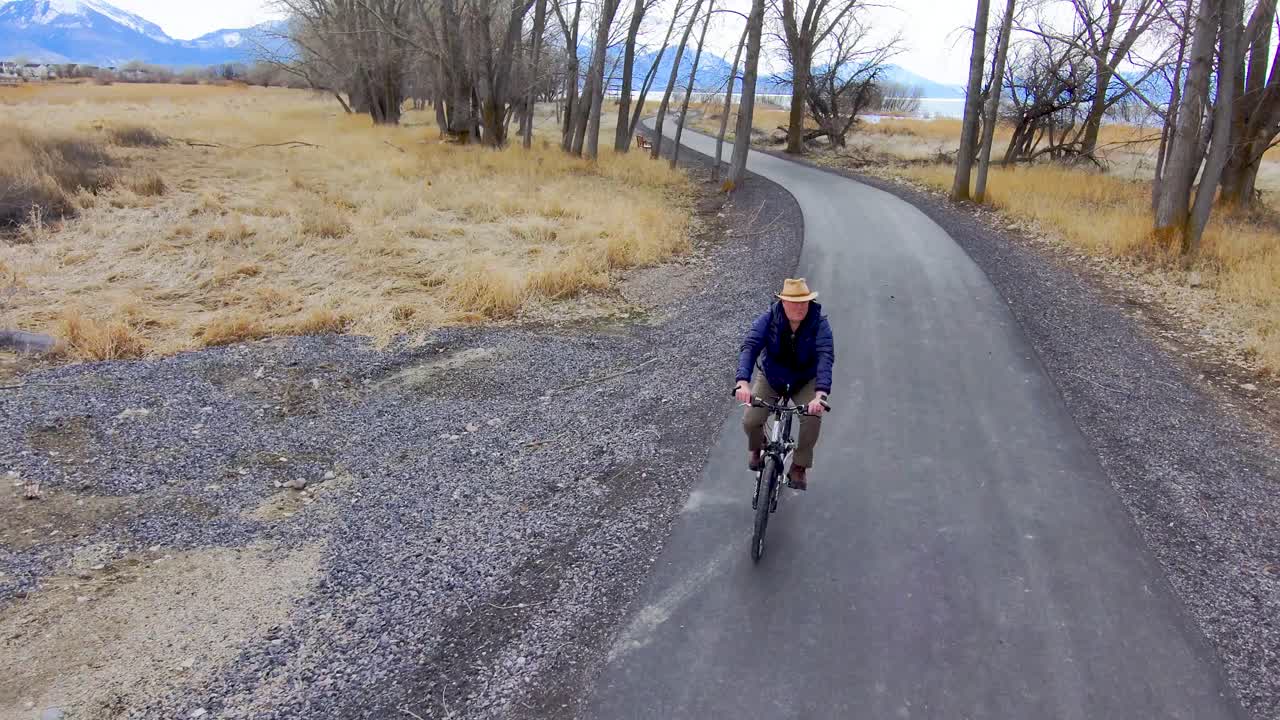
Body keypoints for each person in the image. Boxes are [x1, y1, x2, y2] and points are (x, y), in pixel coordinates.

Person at [734, 278, 834, 491]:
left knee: (812, 418)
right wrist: (742, 382)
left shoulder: (819, 322)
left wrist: (820, 395)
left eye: (804, 302)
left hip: (804, 379)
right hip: (772, 377)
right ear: (783, 302)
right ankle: (758, 446)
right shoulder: (769, 318)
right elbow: (750, 347)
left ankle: (799, 465)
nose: (800, 307)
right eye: (795, 303)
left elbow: (825, 356)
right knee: (751, 421)